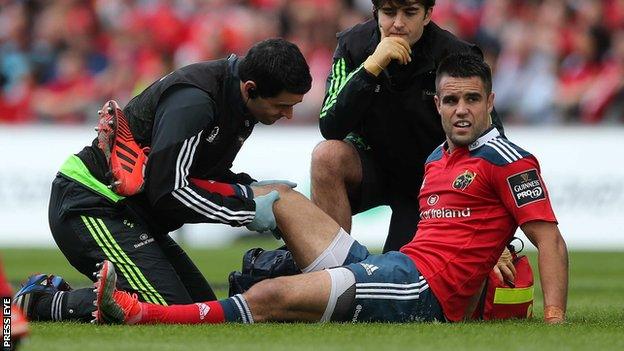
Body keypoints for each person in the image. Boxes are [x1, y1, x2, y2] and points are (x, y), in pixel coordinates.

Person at [94, 53, 568, 325]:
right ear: (438, 106)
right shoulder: (437, 158)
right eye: (450, 100)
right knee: (283, 200)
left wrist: (552, 318)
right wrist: (247, 199)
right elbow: (456, 233)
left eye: (471, 99)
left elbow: (548, 238)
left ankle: (143, 315)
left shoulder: (508, 159)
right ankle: (42, 303)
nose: (460, 110)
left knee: (273, 293)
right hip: (398, 267)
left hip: (422, 289)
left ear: (490, 102)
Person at [14, 38, 312, 323]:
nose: (288, 114)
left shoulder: (236, 101)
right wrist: (246, 211)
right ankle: (42, 301)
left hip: (130, 213)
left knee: (201, 309)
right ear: (250, 88)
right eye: (282, 105)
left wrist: (248, 187)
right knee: (170, 311)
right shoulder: (196, 101)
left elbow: (197, 174)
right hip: (93, 205)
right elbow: (169, 191)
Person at [311, 0, 505, 253]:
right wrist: (372, 66)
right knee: (327, 156)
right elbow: (330, 126)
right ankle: (332, 272)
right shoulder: (353, 45)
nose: (399, 23)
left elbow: (490, 135)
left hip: (430, 179)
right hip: (371, 168)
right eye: (389, 13)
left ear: (427, 15)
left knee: (404, 276)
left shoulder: (455, 54)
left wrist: (494, 230)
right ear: (376, 13)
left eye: (410, 13)